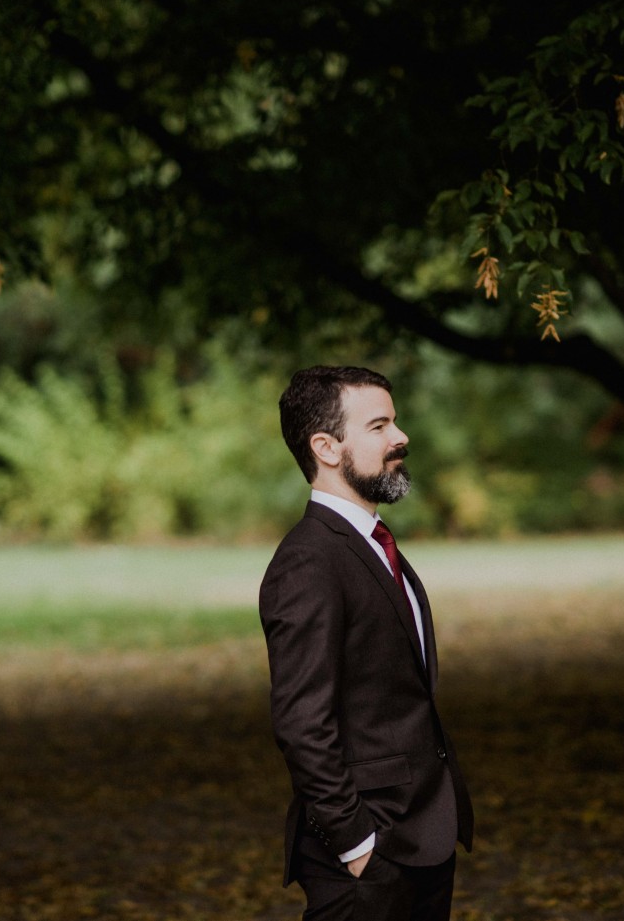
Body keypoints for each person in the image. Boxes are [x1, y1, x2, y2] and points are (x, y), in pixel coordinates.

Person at [259, 365, 474, 921]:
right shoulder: (309, 562)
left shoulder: (371, 543)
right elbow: (303, 723)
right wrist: (358, 848)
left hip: (421, 836)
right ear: (326, 448)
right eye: (379, 426)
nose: (400, 438)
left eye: (394, 423)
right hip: (368, 858)